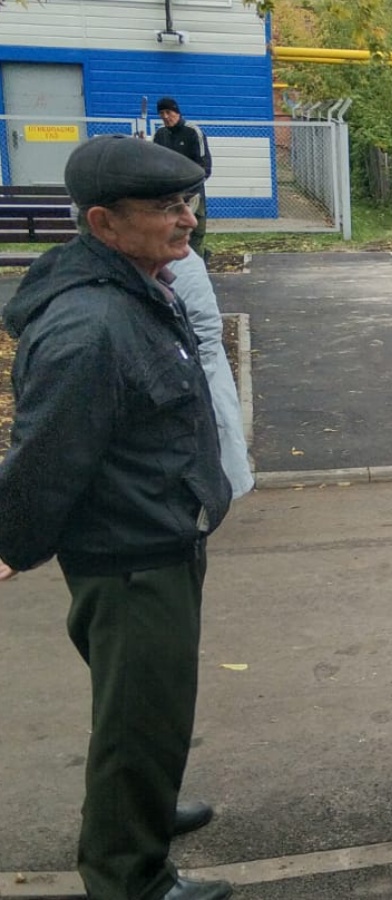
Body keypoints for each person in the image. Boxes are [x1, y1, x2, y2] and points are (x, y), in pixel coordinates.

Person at [0, 135, 233, 900]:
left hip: (157, 535)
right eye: (165, 206)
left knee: (147, 711)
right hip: (131, 557)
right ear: (103, 223)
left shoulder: (137, 285)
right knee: (138, 720)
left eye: (187, 202)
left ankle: (143, 806)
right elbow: (46, 451)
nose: (187, 218)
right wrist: (9, 541)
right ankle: (130, 877)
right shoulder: (91, 326)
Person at [171, 251, 254, 499]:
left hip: (191, 397)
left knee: (201, 490)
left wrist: (185, 391)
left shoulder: (181, 261)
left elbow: (205, 331)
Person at [153, 98, 212, 257]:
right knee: (170, 238)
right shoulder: (160, 135)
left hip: (193, 196)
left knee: (195, 236)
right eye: (161, 113)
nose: (165, 116)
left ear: (177, 112)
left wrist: (187, 190)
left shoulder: (193, 132)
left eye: (168, 112)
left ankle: (199, 265)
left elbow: (204, 168)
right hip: (169, 199)